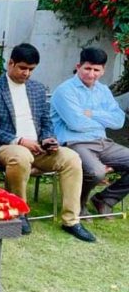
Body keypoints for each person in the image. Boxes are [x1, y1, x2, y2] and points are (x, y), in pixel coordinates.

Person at [0, 43, 94, 242]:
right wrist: (19, 140)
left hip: (39, 148)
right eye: (23, 68)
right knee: (21, 156)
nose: (27, 73)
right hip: (6, 147)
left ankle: (71, 220)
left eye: (31, 69)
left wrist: (48, 139)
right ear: (10, 63)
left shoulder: (37, 89)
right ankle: (19, 212)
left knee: (72, 158)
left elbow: (46, 121)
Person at [50, 47, 129, 218]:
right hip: (74, 143)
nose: (91, 74)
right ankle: (78, 202)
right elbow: (76, 123)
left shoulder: (103, 91)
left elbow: (119, 121)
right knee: (96, 171)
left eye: (96, 70)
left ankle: (105, 199)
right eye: (87, 68)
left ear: (103, 70)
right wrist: (100, 120)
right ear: (78, 66)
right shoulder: (65, 91)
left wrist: (92, 113)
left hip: (102, 142)